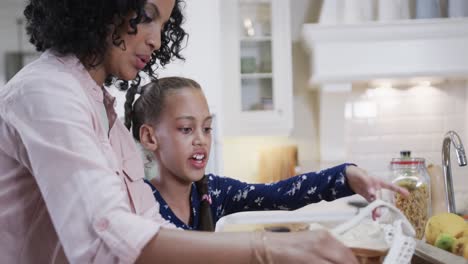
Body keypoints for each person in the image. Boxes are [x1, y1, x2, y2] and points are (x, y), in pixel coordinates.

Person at [0, 0, 363, 263]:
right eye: (147, 17)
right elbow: (105, 245)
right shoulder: (46, 92)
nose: (156, 40)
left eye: (164, 24)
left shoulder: (103, 112)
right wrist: (266, 248)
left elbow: (148, 224)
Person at [124, 76, 409, 231]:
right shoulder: (139, 205)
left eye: (207, 128)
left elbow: (281, 194)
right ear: (150, 137)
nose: (201, 140)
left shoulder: (213, 192)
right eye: (186, 129)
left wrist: (346, 175)